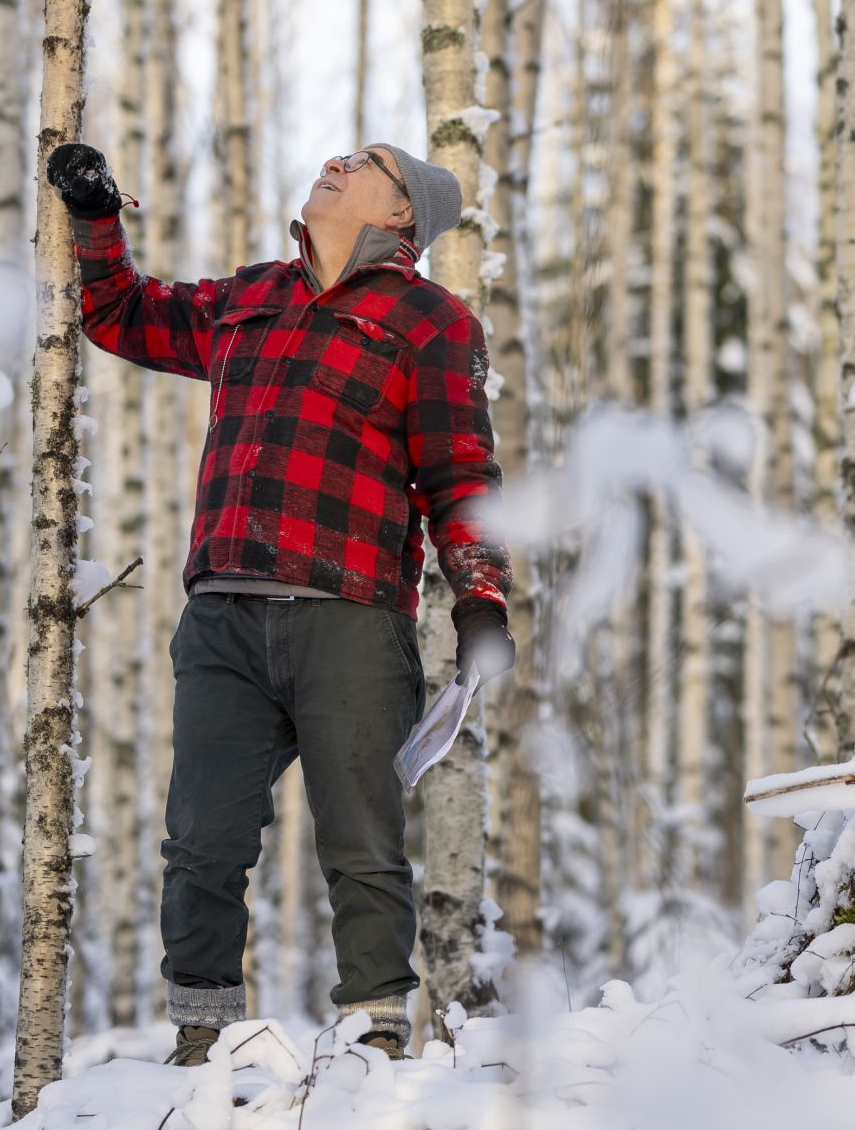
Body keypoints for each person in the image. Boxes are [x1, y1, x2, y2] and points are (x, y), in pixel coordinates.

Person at [44, 138, 515, 1064]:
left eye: (366, 162)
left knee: (361, 842)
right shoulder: (250, 297)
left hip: (351, 614)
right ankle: (200, 1041)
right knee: (203, 841)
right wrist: (96, 217)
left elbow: (461, 476)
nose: (338, 161)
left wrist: (481, 601)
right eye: (340, 153)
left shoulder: (432, 323)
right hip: (221, 613)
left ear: (400, 214)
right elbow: (121, 314)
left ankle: (375, 1034)